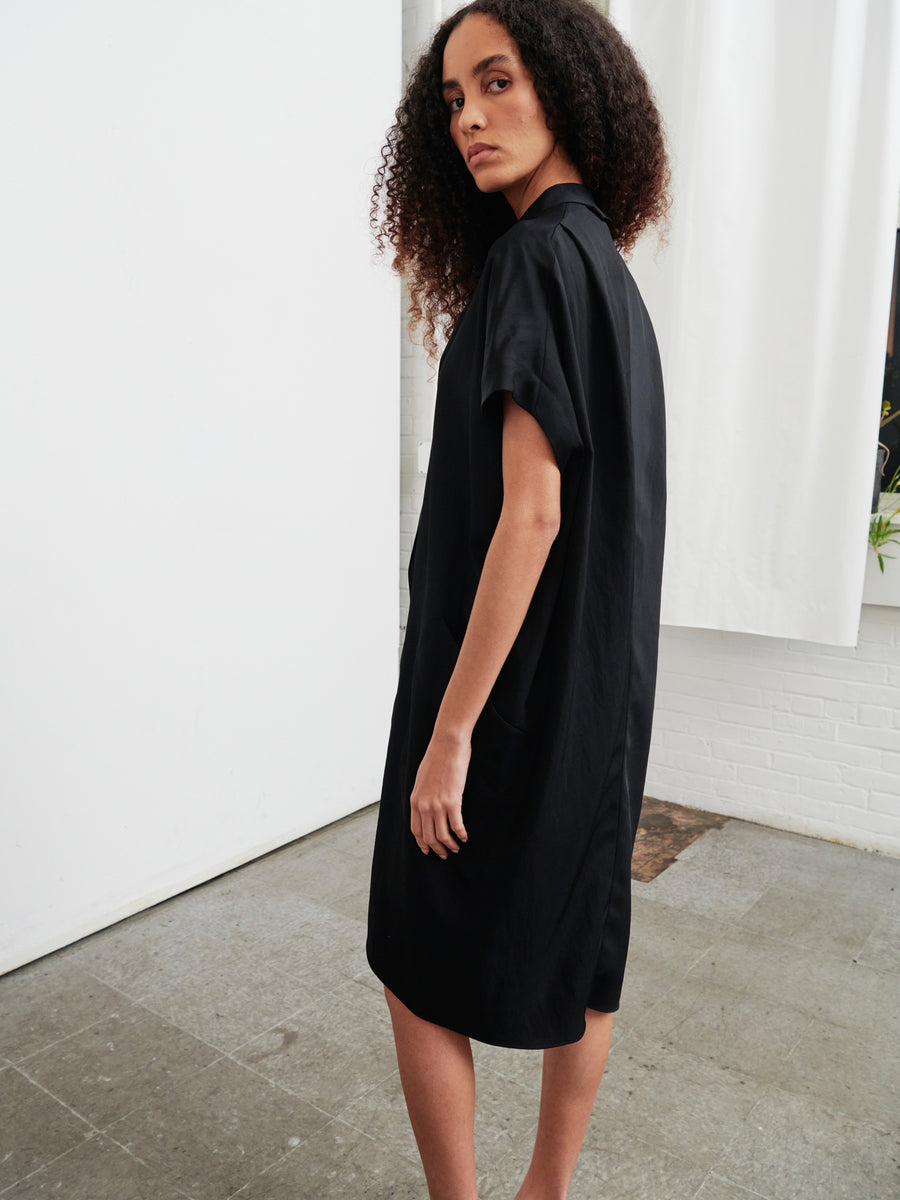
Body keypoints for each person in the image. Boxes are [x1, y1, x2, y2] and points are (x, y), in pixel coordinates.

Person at [366, 2, 669, 1197]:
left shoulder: (535, 257)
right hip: (593, 698)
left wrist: (449, 734)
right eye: (451, 100)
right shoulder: (604, 269)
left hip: (499, 691)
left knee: (410, 948)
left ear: (567, 84)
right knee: (584, 951)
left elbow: (532, 515)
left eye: (496, 82)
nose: (472, 117)